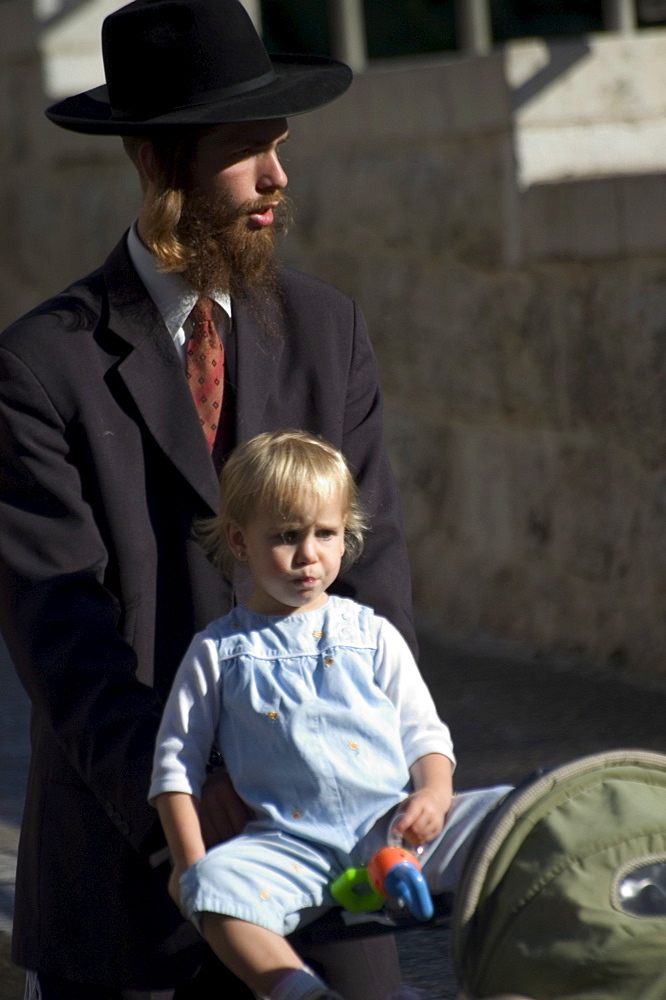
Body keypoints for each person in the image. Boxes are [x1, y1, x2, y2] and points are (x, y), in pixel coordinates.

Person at [0, 1, 415, 997]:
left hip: (330, 868)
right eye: (245, 152)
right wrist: (193, 806)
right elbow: (62, 634)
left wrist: (361, 773)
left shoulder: (327, 329)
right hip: (127, 882)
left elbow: (374, 569)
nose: (280, 178)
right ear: (157, 161)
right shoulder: (38, 364)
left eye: (280, 146)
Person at [149, 429, 510, 1000]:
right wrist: (189, 864)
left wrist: (434, 797)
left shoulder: (370, 634)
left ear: (347, 536)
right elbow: (175, 767)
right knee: (213, 886)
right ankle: (294, 989)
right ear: (240, 542)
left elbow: (425, 734)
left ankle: (515, 977)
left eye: (326, 533)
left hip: (397, 829)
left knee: (516, 820)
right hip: (287, 845)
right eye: (287, 536)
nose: (308, 555)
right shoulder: (218, 651)